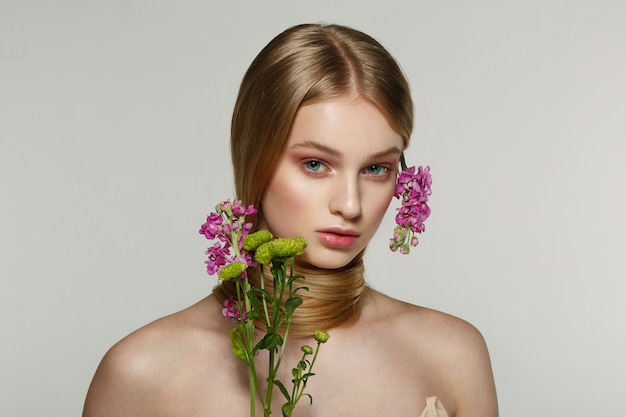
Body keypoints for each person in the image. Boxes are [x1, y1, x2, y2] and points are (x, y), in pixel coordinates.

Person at [83, 23, 498, 417]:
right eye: (316, 164)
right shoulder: (141, 373)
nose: (351, 205)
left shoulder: (451, 355)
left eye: (376, 169)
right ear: (255, 159)